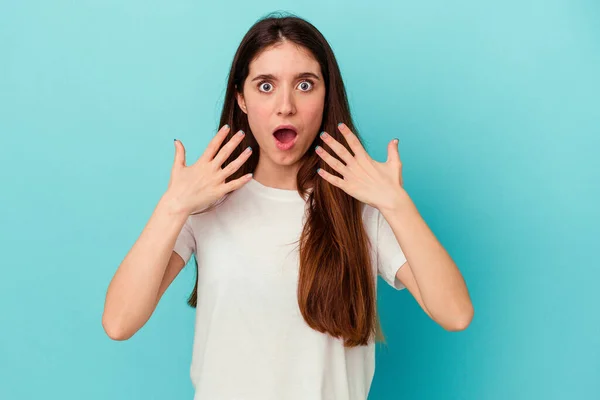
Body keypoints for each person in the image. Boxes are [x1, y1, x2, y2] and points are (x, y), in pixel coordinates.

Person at [102, 12, 474, 400]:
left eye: (305, 85)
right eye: (265, 86)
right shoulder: (205, 206)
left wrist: (396, 203)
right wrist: (173, 206)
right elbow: (119, 321)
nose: (285, 106)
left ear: (327, 95)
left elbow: (455, 313)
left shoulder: (361, 210)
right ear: (241, 99)